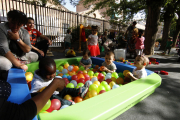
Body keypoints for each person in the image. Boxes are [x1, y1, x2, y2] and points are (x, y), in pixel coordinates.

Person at [0, 73, 65, 119]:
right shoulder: (37, 83)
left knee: (5, 86)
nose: (52, 76)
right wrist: (55, 84)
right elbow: (21, 114)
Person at [0, 10, 38, 80]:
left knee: (35, 56)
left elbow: (28, 49)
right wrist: (19, 64)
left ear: (23, 24)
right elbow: (4, 50)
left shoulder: (24, 32)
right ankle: (15, 63)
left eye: (19, 24)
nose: (15, 27)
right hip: (4, 56)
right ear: (8, 19)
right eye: (13, 23)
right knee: (5, 64)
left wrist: (17, 39)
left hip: (19, 56)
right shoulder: (1, 28)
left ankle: (15, 62)